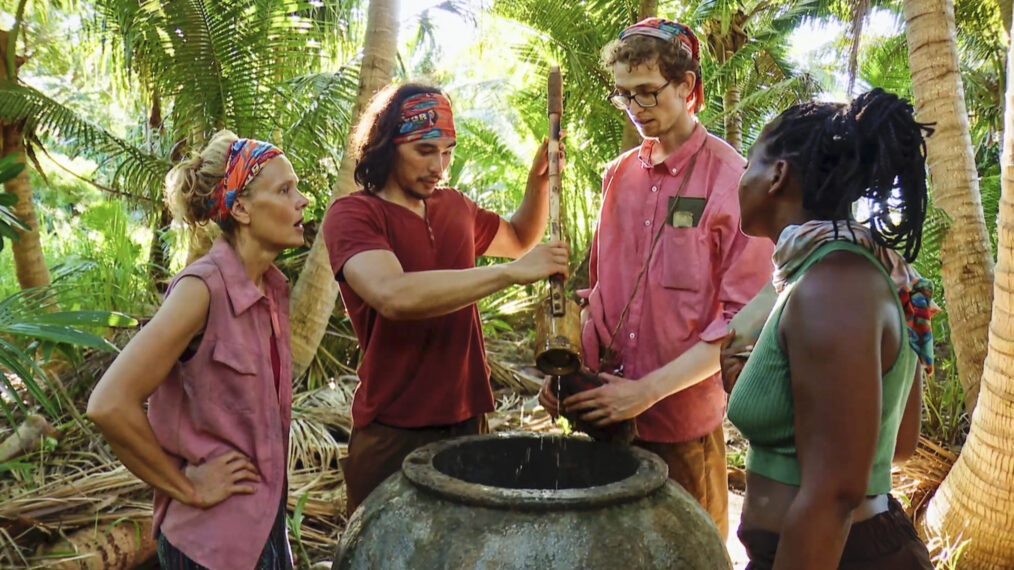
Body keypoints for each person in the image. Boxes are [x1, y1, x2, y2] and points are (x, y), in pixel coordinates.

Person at [538, 18, 774, 539]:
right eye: (625, 96)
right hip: (605, 421)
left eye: (648, 92)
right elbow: (601, 295)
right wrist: (567, 373)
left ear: (687, 86)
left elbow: (739, 327)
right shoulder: (619, 175)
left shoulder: (734, 182)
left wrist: (645, 393)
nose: (636, 109)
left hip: (682, 433)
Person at [323, 83, 569, 516]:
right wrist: (511, 274)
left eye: (448, 152)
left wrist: (538, 182)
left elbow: (517, 239)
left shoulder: (454, 205)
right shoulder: (354, 215)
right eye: (424, 150)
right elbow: (393, 295)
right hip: (392, 429)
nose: (439, 166)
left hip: (467, 418)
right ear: (386, 146)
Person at [725, 89, 935, 569]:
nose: (741, 180)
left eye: (748, 166)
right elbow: (894, 446)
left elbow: (837, 494)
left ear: (777, 176)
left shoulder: (833, 285)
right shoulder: (832, 273)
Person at [87, 130, 307, 570]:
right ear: (241, 208)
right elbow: (109, 403)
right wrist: (187, 488)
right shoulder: (201, 289)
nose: (302, 200)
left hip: (263, 530)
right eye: (285, 190)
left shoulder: (270, 290)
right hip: (212, 546)